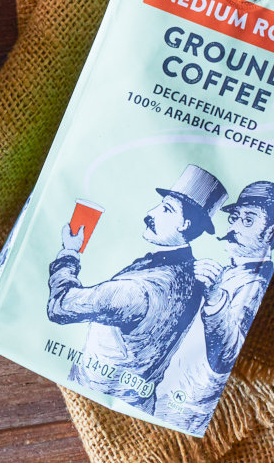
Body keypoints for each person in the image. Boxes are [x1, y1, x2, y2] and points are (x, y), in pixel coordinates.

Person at [47, 164, 227, 412]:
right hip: (139, 405)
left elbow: (60, 306)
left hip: (93, 397)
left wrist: (69, 254)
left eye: (166, 209)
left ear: (185, 224)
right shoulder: (191, 276)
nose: (150, 213)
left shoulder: (138, 290)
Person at [157, 180, 274, 433]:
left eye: (248, 220)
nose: (233, 227)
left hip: (186, 409)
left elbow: (226, 353)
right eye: (234, 217)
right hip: (165, 392)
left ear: (271, 232)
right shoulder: (229, 273)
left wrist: (214, 298)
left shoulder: (255, 286)